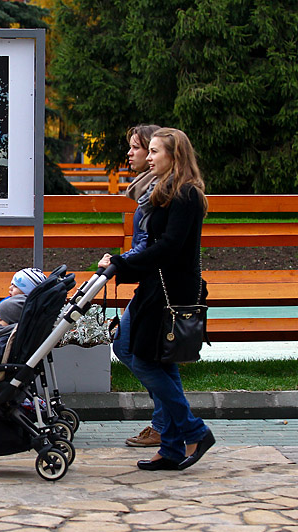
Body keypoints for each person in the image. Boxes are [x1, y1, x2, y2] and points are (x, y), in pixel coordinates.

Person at [99, 127, 214, 471]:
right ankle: (172, 448)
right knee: (159, 362)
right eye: (147, 152)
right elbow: (155, 246)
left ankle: (193, 430)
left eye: (155, 152)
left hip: (170, 291)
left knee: (146, 360)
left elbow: (168, 248)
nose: (149, 157)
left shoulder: (186, 195)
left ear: (174, 156)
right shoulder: (166, 192)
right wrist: (126, 265)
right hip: (156, 286)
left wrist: (123, 263)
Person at [114, 124, 174, 449]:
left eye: (140, 148)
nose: (132, 153)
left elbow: (152, 245)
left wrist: (120, 263)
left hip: (160, 288)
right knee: (131, 349)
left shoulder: (160, 195)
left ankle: (170, 422)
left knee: (137, 353)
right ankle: (168, 421)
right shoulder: (146, 193)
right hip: (150, 286)